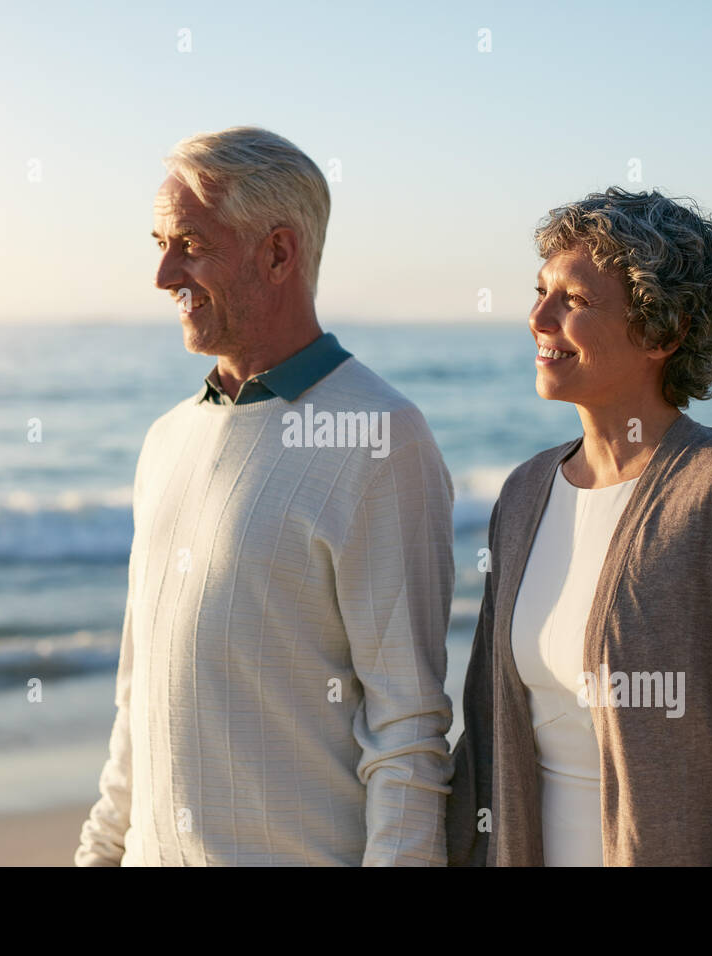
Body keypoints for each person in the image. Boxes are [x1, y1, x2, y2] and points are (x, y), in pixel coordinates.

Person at [76, 126, 455, 866]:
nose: (163, 273)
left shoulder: (384, 438)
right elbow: (139, 701)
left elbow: (407, 732)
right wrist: (97, 854)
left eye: (190, 242)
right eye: (159, 241)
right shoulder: (166, 440)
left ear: (278, 252)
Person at [446, 187, 712, 866]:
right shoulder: (523, 495)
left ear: (664, 331)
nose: (539, 317)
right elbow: (483, 735)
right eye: (540, 292)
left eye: (574, 301)